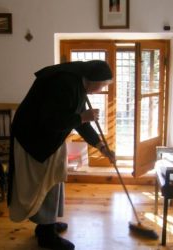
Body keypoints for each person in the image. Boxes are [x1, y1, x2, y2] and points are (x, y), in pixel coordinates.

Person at [7, 60, 116, 250]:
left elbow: (80, 123)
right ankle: (46, 235)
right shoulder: (64, 83)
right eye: (103, 85)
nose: (101, 89)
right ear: (92, 80)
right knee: (44, 182)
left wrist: (101, 146)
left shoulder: (78, 84)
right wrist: (83, 117)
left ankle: (46, 223)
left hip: (49, 138)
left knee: (55, 180)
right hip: (33, 139)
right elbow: (51, 121)